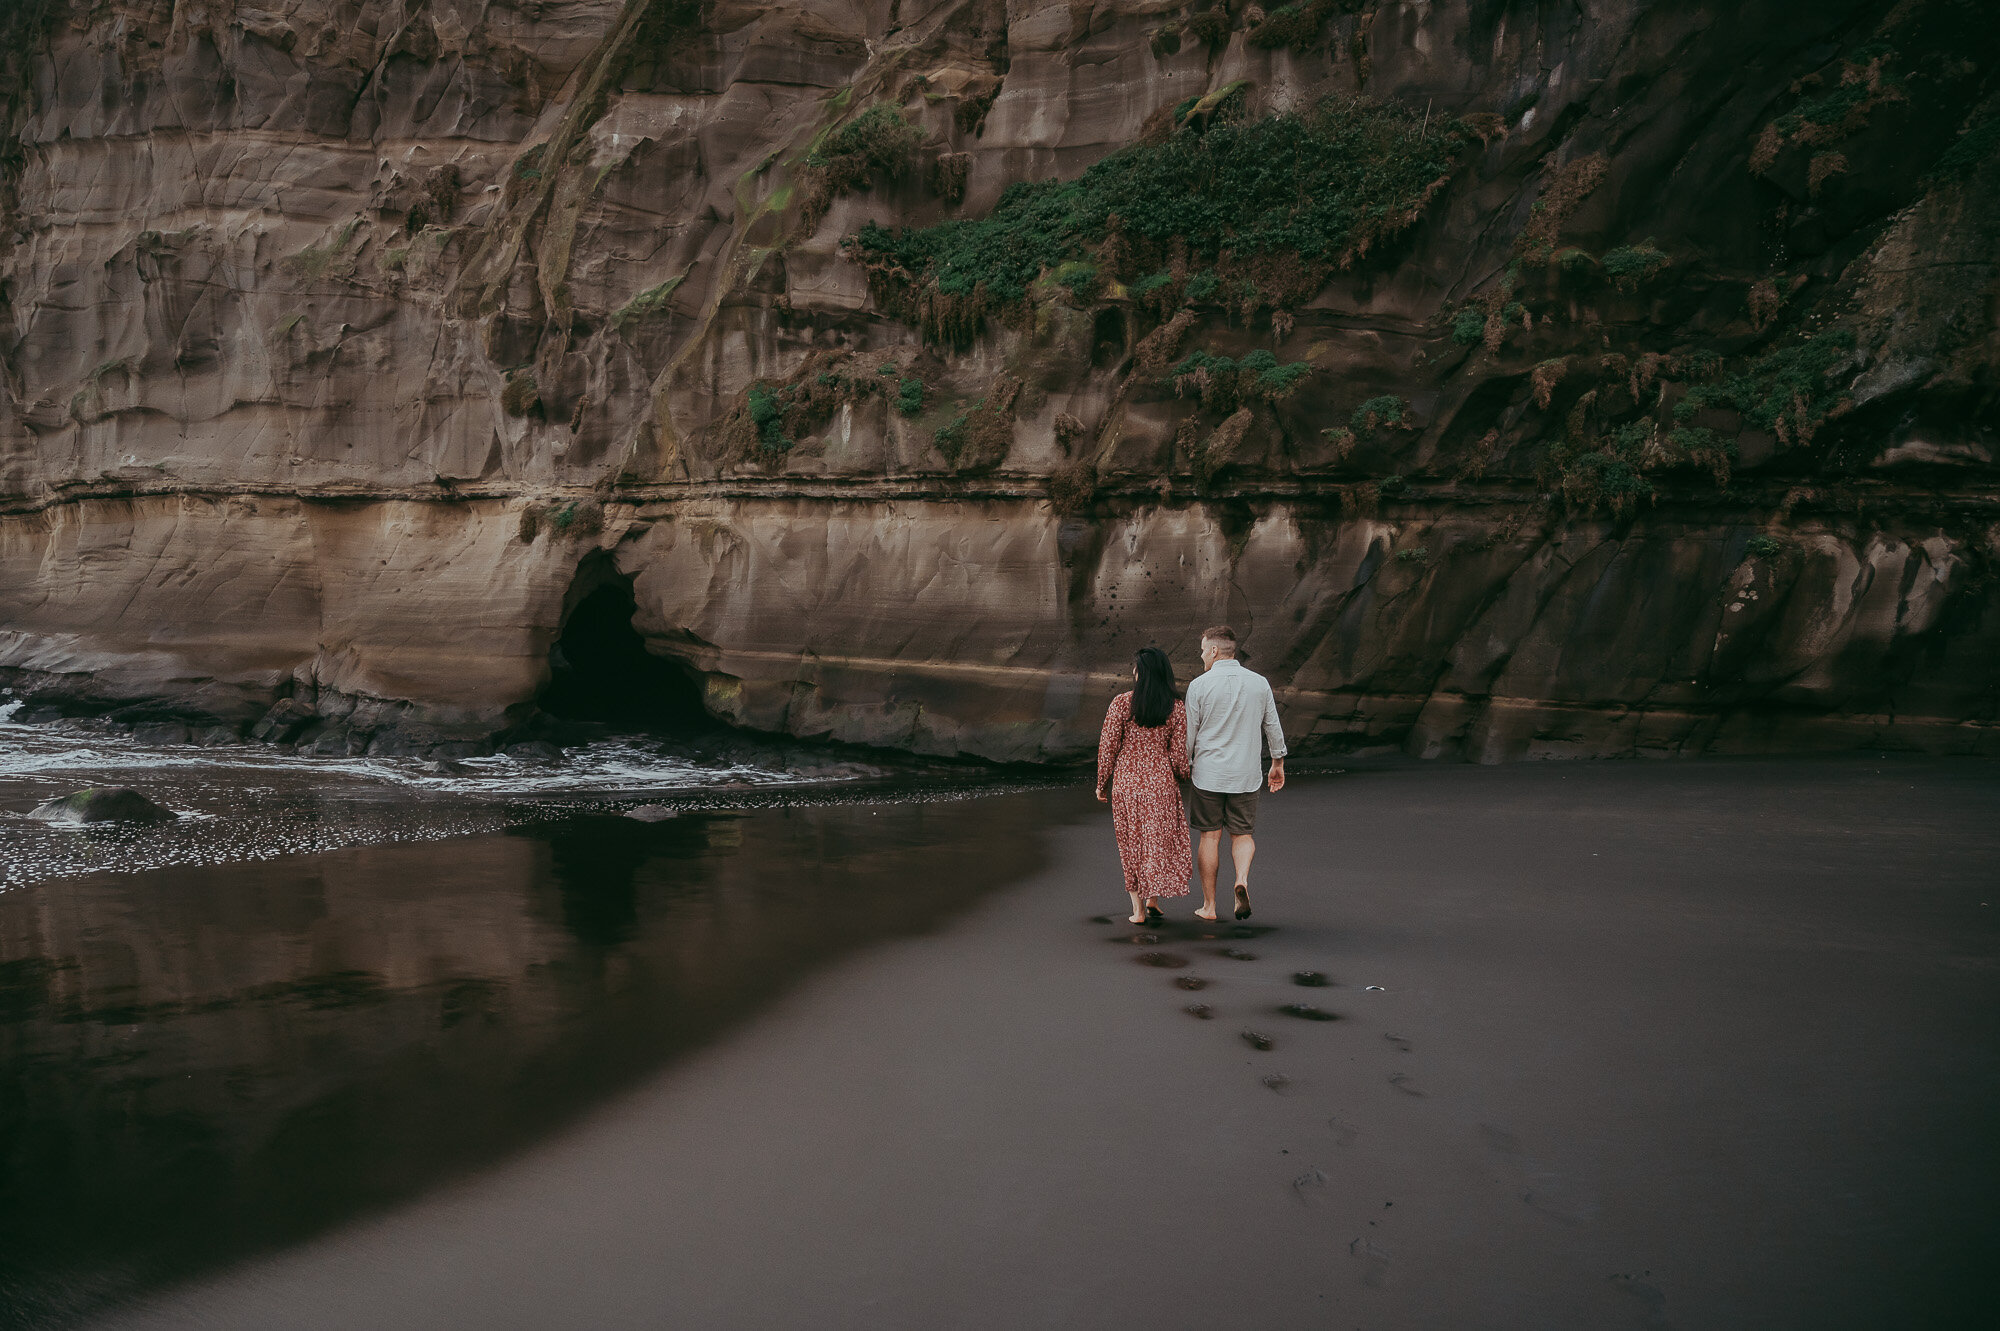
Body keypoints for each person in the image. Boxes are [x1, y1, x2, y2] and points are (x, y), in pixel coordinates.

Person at [1183, 625, 1285, 921]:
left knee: (1210, 837)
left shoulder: (1199, 686)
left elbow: (1190, 734)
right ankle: (1241, 880)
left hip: (1208, 775)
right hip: (1246, 774)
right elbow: (1272, 726)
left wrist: (1182, 764)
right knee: (1242, 835)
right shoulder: (1259, 683)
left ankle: (1210, 906)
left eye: (1203, 650)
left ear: (1214, 650)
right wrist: (1277, 763)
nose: (1202, 655)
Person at [1095, 647, 1194, 925]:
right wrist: (1183, 776)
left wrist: (1101, 783)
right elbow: (1178, 754)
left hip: (1126, 784)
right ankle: (1154, 901)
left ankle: (1139, 910)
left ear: (1141, 673)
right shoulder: (1175, 708)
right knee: (1155, 843)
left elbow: (1108, 747)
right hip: (1160, 785)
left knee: (1131, 844)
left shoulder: (1121, 703)